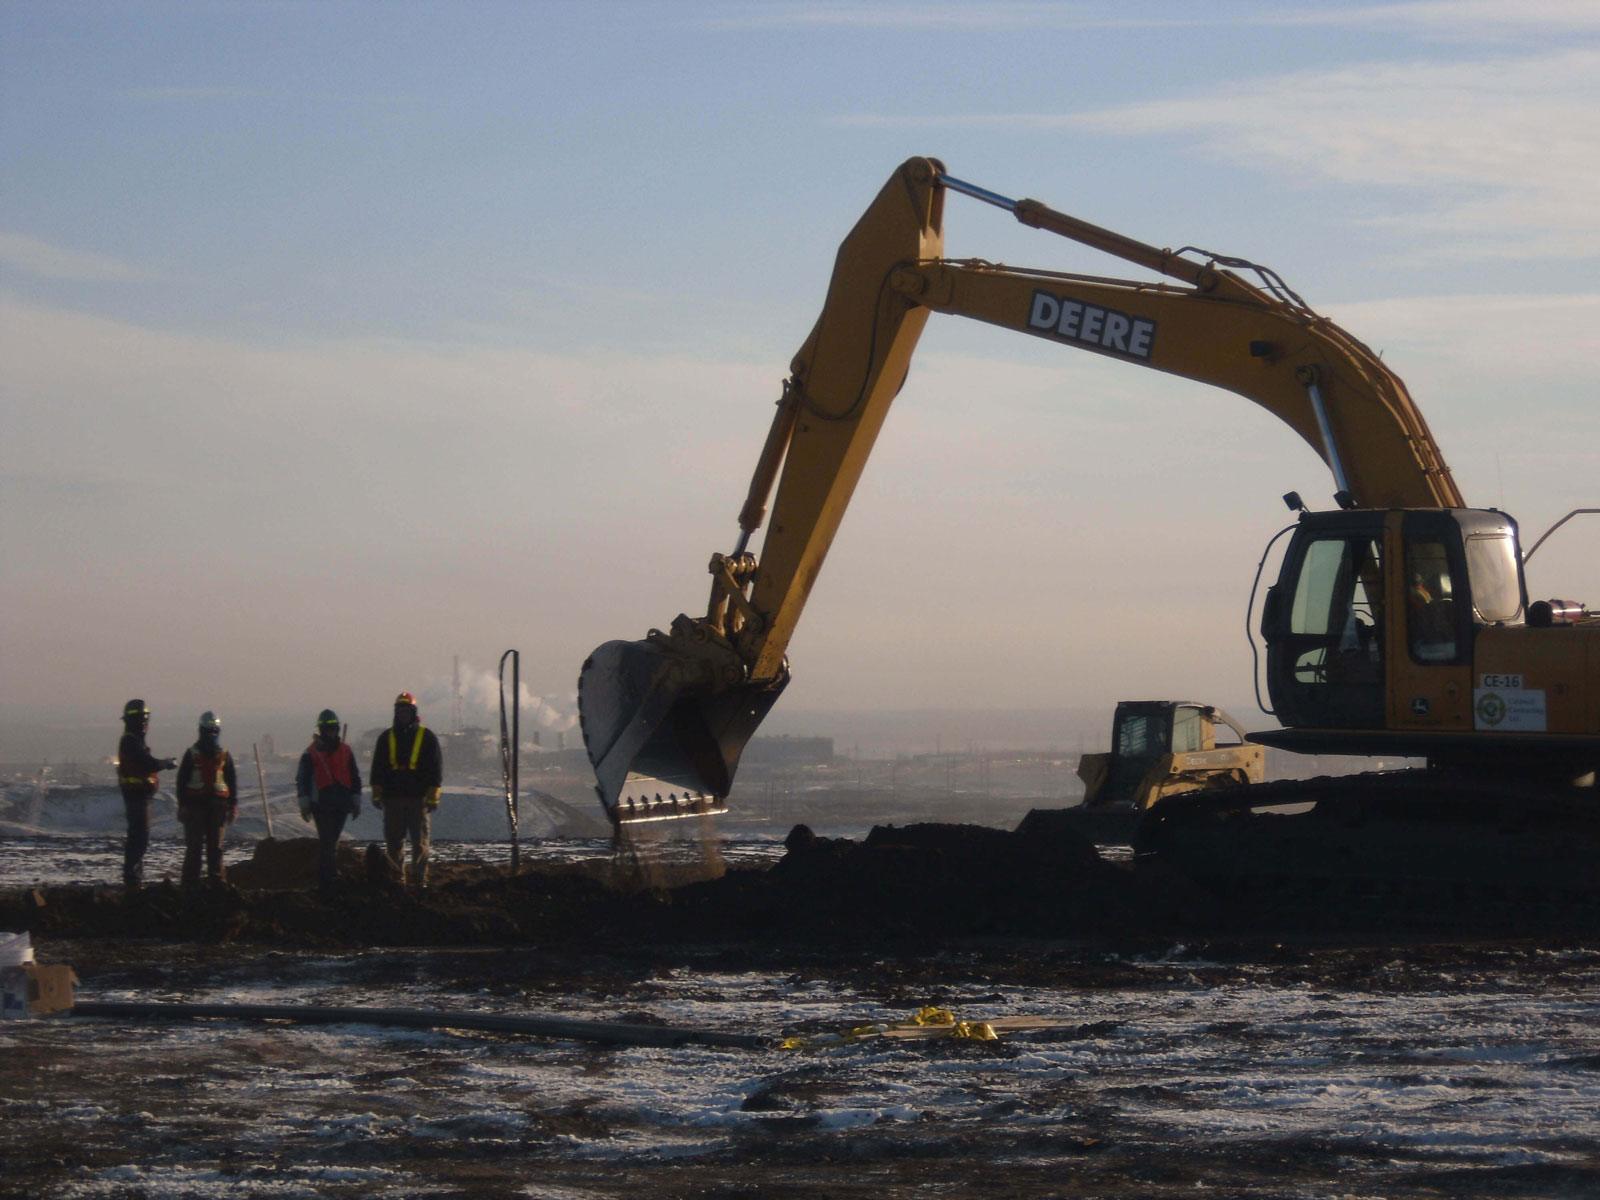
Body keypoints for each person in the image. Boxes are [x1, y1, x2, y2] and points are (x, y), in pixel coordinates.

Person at [369, 691, 443, 888]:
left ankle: (419, 880)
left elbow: (435, 768)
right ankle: (397, 880)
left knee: (420, 843)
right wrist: (377, 793)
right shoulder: (386, 738)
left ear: (413, 712)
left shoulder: (427, 737)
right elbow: (378, 768)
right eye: (400, 710)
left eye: (406, 710)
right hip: (392, 800)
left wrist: (433, 796)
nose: (403, 714)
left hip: (418, 800)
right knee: (394, 843)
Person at [296, 709, 362, 894]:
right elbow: (302, 779)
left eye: (333, 729)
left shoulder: (346, 751)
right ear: (322, 730)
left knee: (331, 842)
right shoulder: (311, 753)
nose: (331, 732)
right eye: (328, 729)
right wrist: (305, 803)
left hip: (341, 804)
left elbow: (354, 776)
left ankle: (329, 876)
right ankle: (327, 879)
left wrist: (355, 800)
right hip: (322, 804)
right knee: (327, 842)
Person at [116, 699, 176, 893]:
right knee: (139, 838)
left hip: (140, 796)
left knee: (139, 837)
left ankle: (135, 877)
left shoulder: (133, 740)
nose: (145, 724)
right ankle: (132, 879)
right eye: (143, 719)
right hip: (137, 797)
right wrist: (165, 763)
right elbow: (146, 763)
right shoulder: (131, 741)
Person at [174, 711, 238, 885]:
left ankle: (216, 883)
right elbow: (181, 782)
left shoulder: (224, 755)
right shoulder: (192, 754)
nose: (211, 735)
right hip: (196, 807)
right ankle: (191, 885)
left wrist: (233, 806)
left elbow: (231, 781)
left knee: (215, 848)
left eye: (213, 731)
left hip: (217, 807)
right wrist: (183, 805)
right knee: (195, 848)